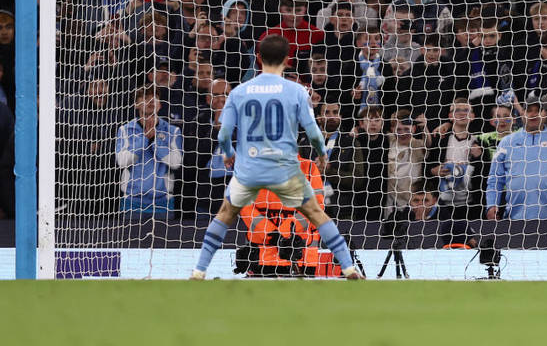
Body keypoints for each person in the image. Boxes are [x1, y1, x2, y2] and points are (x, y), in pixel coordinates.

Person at [191, 35, 363, 280]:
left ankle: (199, 270)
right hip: (284, 168)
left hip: (251, 168)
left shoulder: (240, 91)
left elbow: (224, 133)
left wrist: (229, 155)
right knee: (317, 214)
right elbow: (313, 132)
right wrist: (322, 154)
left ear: (258, 58)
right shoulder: (295, 91)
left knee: (225, 214)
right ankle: (348, 267)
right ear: (286, 59)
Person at [486, 100, 547, 220]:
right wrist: (491, 205)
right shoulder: (506, 142)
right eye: (529, 111)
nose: (533, 114)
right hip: (514, 220)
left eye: (538, 110)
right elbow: (495, 179)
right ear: (522, 113)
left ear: (545, 113)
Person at [116, 85, 183, 216]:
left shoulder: (173, 131)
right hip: (132, 201)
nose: (151, 100)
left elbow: (176, 162)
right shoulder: (125, 130)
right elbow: (122, 162)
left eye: (155, 97)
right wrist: (145, 139)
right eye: (146, 97)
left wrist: (155, 141)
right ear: (136, 104)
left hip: (163, 202)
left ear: (160, 105)